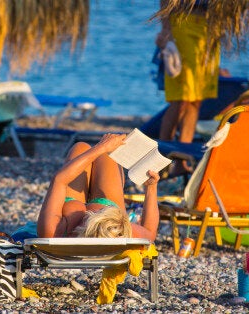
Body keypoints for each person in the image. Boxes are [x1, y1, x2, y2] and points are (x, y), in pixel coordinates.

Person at [37, 133, 161, 241]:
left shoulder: (52, 231)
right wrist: (151, 187)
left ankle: (100, 149)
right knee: (108, 155)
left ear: (85, 225)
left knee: (81, 147)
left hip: (71, 205)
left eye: (93, 214)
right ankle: (104, 151)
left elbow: (59, 180)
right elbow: (150, 232)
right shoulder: (118, 232)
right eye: (101, 210)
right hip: (106, 206)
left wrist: (101, 147)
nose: (89, 211)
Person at [155, 0, 220, 175]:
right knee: (181, 99)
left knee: (196, 101)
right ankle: (161, 158)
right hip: (182, 23)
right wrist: (166, 29)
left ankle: (181, 160)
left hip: (208, 28)